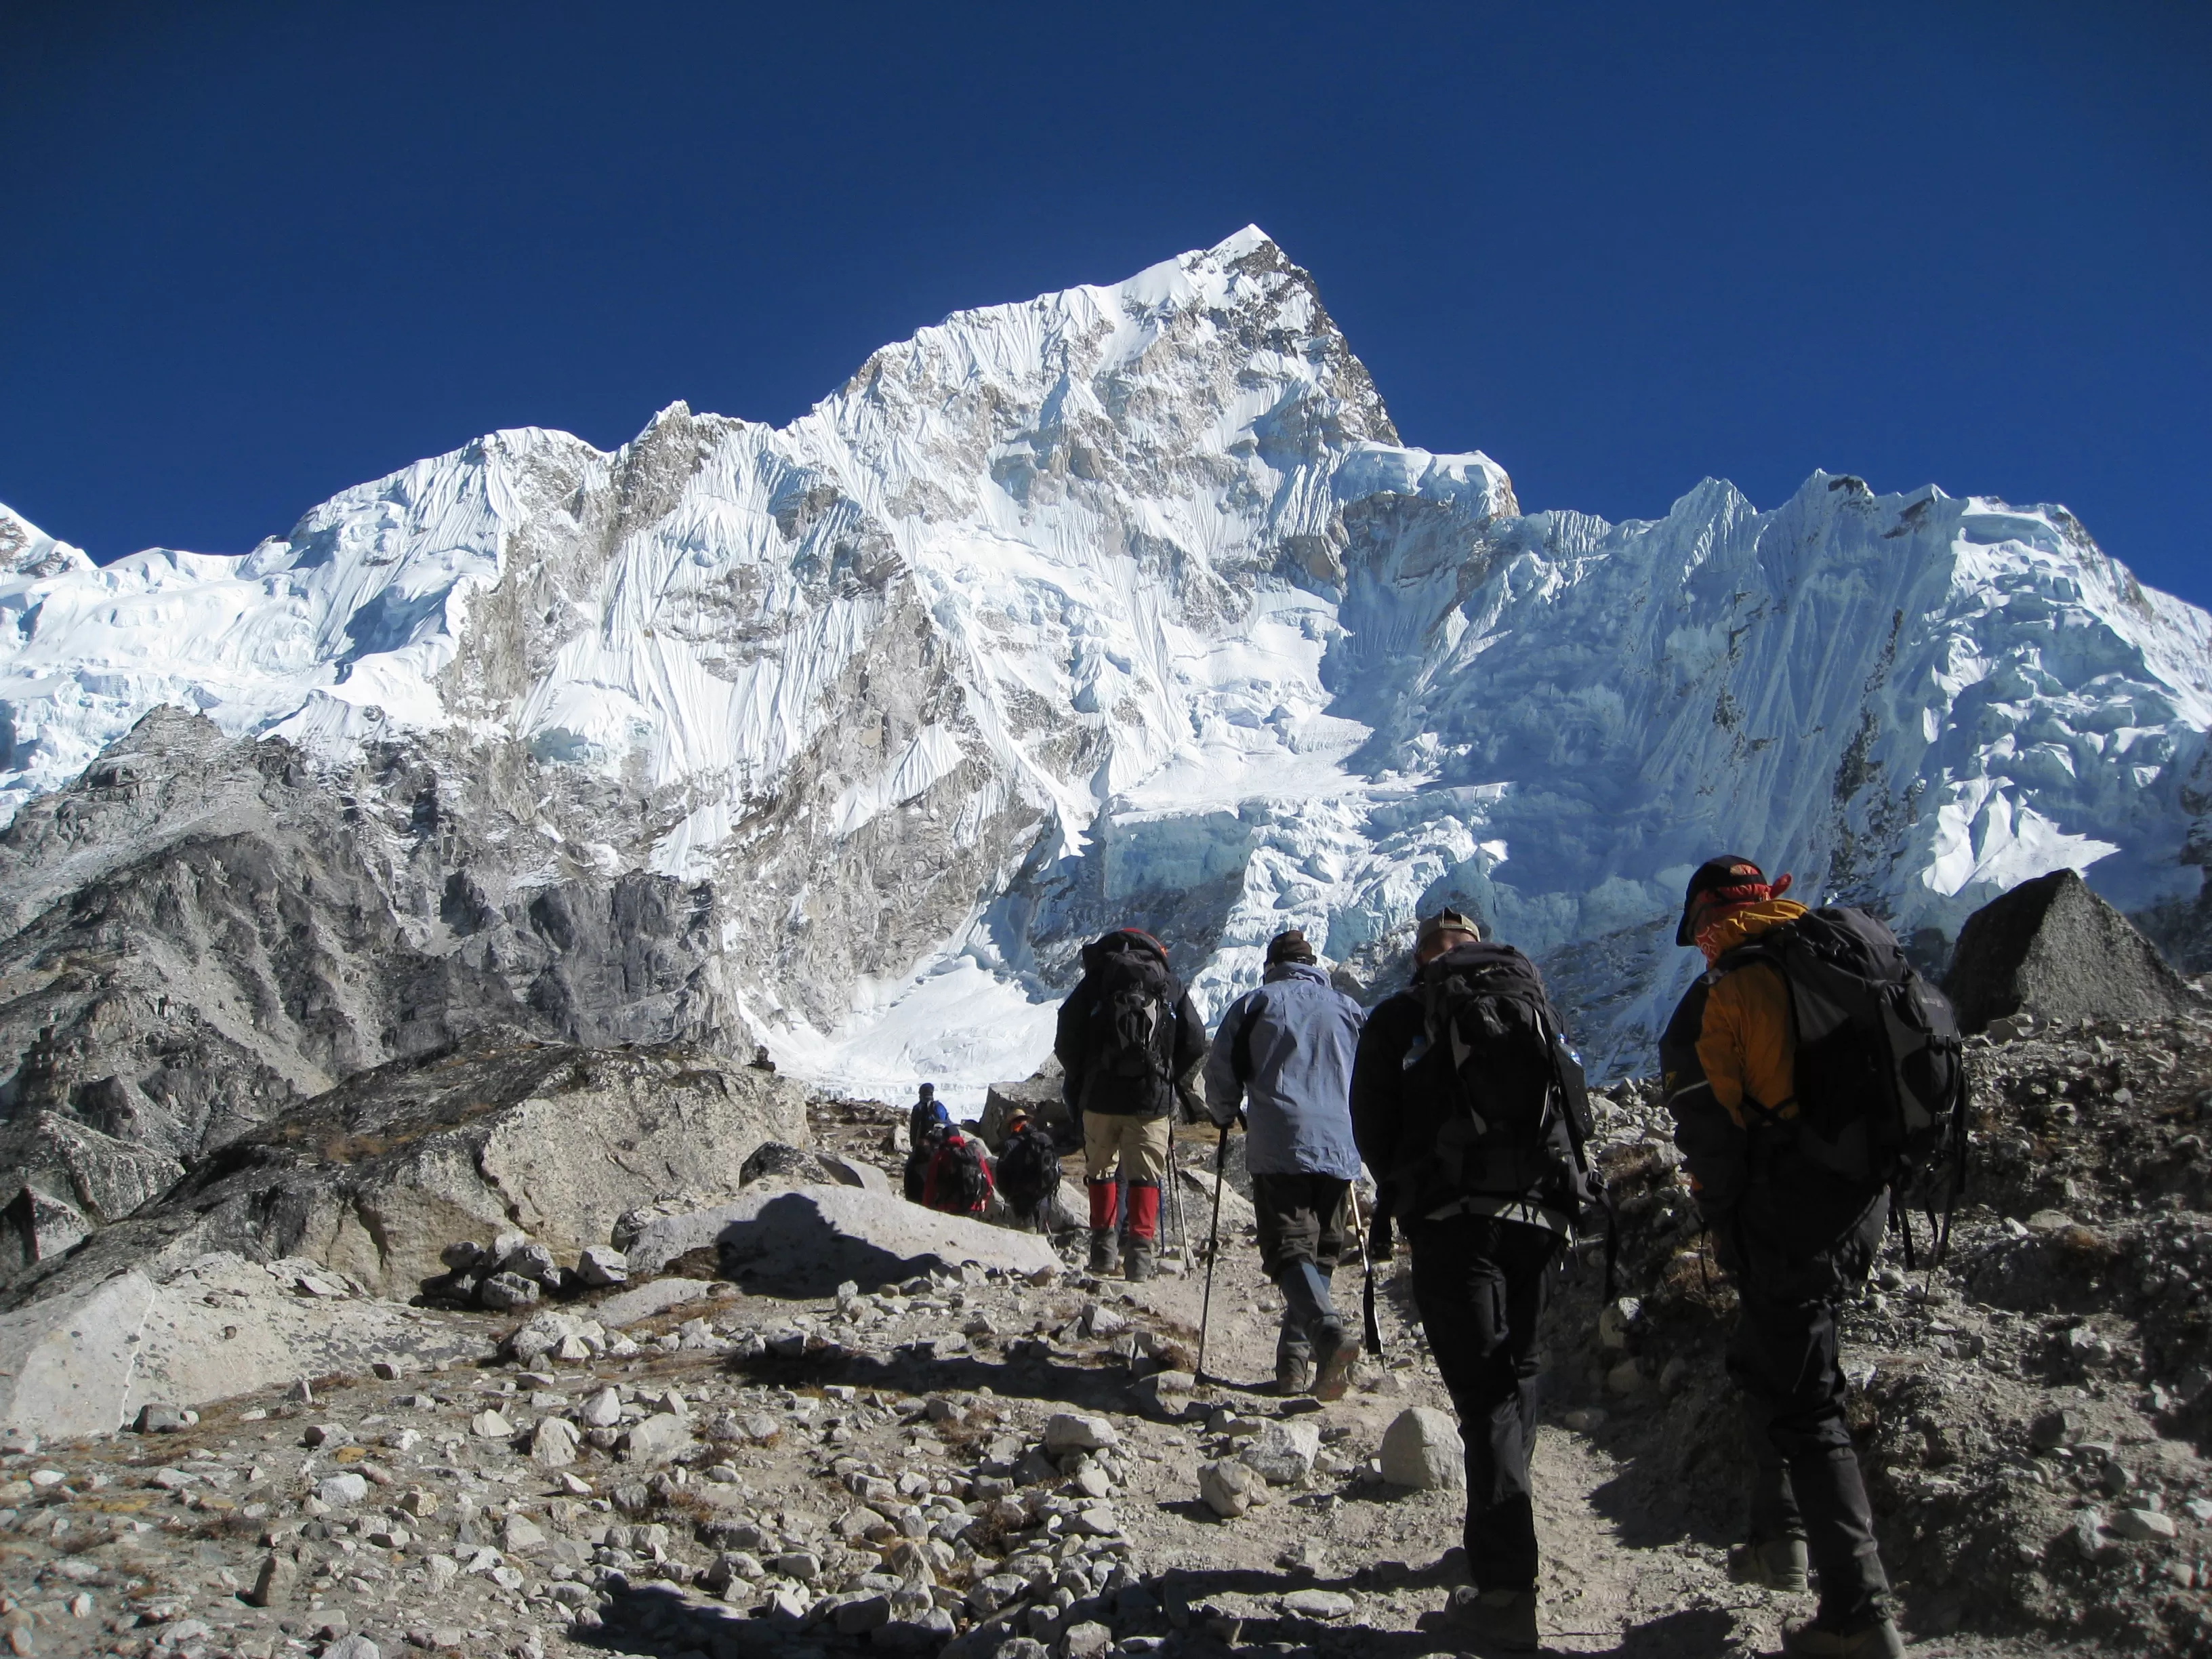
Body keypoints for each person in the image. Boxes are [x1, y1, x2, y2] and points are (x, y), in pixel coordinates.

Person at [1661, 855, 1903, 1659]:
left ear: (1704, 923)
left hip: (1786, 1213)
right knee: (1771, 1360)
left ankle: (1858, 1615)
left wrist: (1726, 1227)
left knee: (1807, 1401)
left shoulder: (1720, 995)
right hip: (1864, 1200)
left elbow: (1714, 1144)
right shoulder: (1832, 952)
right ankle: (1780, 1539)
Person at [1351, 907, 1589, 1654]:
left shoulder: (1408, 1010)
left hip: (1457, 1220)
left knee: (1483, 1399)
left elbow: (1371, 1117)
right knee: (1517, 1376)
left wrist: (1405, 1194)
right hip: (1541, 1219)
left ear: (1423, 955)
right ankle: (1495, 1541)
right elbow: (1573, 1105)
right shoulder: (1531, 1002)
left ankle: (1505, 1593)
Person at [1203, 928, 1366, 1398]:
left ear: (1271, 965)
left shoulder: (1257, 1003)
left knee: (1288, 1250)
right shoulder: (1350, 1010)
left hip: (1280, 1143)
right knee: (1323, 1253)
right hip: (1339, 1145)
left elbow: (1222, 1072)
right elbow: (1371, 1073)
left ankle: (1327, 1334)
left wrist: (1224, 1113)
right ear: (1313, 965)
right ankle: (1295, 1367)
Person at [1054, 926, 1208, 1280]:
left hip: (1100, 1098)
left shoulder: (1098, 978)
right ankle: (1140, 1258)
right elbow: (1196, 1039)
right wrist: (1168, 1074)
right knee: (1144, 1178)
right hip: (1150, 1099)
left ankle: (1103, 1253)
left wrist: (1084, 1076)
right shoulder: (1168, 983)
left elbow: (1067, 1031)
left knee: (1101, 1172)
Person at [994, 1107, 1063, 1232]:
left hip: (1022, 1202)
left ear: (1014, 1124)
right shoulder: (1042, 1140)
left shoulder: (1010, 1144)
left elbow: (1001, 1175)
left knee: (1027, 1239)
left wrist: (1009, 1194)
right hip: (1044, 1199)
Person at [922, 1124, 995, 1218]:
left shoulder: (941, 1156)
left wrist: (926, 1207)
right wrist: (983, 1199)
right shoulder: (974, 1154)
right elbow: (988, 1181)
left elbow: (931, 1184)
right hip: (973, 1206)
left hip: (949, 1207)